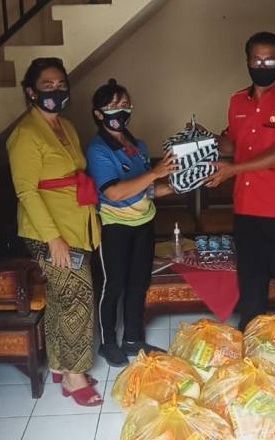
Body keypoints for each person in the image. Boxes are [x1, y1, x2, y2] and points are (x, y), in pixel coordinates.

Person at [6, 57, 102, 406]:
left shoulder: (66, 126)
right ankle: (75, 376)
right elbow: (26, 191)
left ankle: (61, 365)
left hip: (75, 224)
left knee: (62, 298)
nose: (56, 90)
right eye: (48, 85)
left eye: (61, 84)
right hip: (50, 232)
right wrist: (54, 239)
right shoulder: (25, 134)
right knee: (77, 297)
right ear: (31, 92)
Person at [205, 31, 275, 331]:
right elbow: (232, 143)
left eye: (270, 60)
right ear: (247, 61)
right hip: (246, 206)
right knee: (250, 280)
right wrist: (206, 138)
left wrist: (233, 170)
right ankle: (250, 338)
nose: (262, 65)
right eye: (257, 60)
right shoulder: (237, 101)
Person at [86, 79, 176, 367]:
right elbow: (114, 192)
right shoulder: (98, 149)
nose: (120, 110)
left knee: (139, 283)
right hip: (114, 226)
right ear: (98, 113)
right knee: (113, 285)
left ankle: (133, 339)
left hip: (144, 223)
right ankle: (108, 343)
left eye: (124, 104)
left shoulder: (138, 146)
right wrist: (156, 173)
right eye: (112, 106)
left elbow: (146, 190)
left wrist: (179, 185)